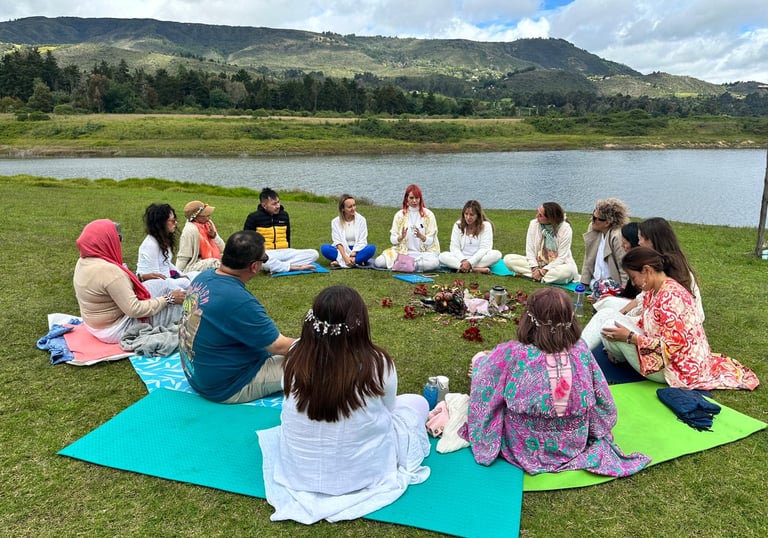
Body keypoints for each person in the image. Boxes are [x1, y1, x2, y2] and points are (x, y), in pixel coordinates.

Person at [257, 285, 431, 524]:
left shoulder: (296, 353)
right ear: (360, 323)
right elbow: (390, 409)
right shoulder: (378, 363)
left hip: (299, 470)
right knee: (417, 402)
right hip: (361, 472)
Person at [460, 287, 650, 477]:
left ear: (529, 319)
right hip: (573, 443)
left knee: (481, 362)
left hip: (525, 445)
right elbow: (602, 399)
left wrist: (480, 365)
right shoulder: (581, 351)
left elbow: (485, 390)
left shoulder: (513, 353)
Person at [600, 247, 759, 390]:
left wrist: (629, 337)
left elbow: (673, 346)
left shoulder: (671, 297)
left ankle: (582, 355)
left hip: (677, 370)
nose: (633, 283)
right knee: (609, 318)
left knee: (608, 324)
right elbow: (645, 323)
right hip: (666, 358)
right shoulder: (654, 291)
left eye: (633, 277)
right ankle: (591, 353)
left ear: (647, 270)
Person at [178, 231, 295, 403]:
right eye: (265, 259)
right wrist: (327, 345)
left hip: (197, 374)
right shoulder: (237, 300)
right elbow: (280, 346)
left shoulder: (203, 277)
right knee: (316, 363)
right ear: (254, 266)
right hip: (227, 385)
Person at [73, 219, 185, 343]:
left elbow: (108, 287)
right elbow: (134, 310)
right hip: (116, 329)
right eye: (117, 239)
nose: (118, 243)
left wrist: (141, 278)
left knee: (161, 284)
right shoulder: (110, 272)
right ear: (107, 241)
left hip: (96, 325)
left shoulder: (83, 261)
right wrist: (169, 299)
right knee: (176, 305)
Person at [581, 221, 641, 349]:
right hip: (635, 306)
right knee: (605, 301)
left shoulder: (651, 268)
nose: (622, 245)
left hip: (642, 320)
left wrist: (621, 313)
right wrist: (614, 298)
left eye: (625, 242)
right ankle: (582, 349)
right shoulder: (637, 260)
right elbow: (635, 295)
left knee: (608, 318)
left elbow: (641, 299)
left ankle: (580, 352)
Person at [243, 187, 319, 273]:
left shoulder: (284, 215)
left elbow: (287, 236)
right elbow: (247, 240)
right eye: (274, 204)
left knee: (313, 254)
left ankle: (279, 267)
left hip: (284, 251)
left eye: (278, 202)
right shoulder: (254, 217)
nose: (278, 206)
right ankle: (292, 267)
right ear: (264, 205)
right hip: (266, 253)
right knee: (263, 261)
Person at [503, 202, 578, 284]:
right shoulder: (533, 224)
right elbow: (530, 250)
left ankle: (534, 276)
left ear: (550, 219)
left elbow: (562, 257)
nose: (537, 216)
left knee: (566, 272)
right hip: (538, 262)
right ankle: (539, 276)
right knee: (508, 259)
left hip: (558, 266)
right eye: (537, 212)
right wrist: (535, 268)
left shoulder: (565, 229)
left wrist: (544, 271)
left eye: (540, 215)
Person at [373, 184, 440, 271]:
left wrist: (421, 236)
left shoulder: (428, 215)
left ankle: (409, 265)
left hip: (423, 254)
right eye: (411, 198)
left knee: (434, 263)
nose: (414, 201)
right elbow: (392, 240)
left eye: (417, 198)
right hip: (402, 252)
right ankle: (406, 264)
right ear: (406, 199)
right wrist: (400, 237)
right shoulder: (399, 215)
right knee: (379, 262)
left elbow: (430, 241)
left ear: (420, 199)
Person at [136, 203, 197, 291]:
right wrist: (180, 279)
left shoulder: (163, 240)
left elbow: (167, 263)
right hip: (154, 286)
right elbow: (156, 277)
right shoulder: (150, 245)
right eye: (172, 220)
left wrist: (181, 275)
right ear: (161, 223)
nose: (175, 223)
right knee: (186, 283)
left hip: (167, 280)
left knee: (196, 275)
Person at [580, 198, 630, 293]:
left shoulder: (617, 237)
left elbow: (623, 267)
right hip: (596, 281)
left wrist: (625, 292)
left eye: (595, 218)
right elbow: (588, 258)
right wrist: (584, 282)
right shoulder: (593, 228)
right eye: (592, 216)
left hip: (613, 283)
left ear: (607, 223)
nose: (592, 220)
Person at [438, 200, 502, 273]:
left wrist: (470, 262)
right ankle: (473, 269)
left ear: (478, 215)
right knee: (442, 256)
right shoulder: (457, 225)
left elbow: (485, 249)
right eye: (466, 214)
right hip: (460, 259)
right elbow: (454, 248)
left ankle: (464, 267)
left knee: (496, 254)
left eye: (471, 215)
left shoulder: (486, 226)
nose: (468, 217)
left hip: (479, 259)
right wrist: (464, 260)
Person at [320, 194, 376, 268]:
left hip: (357, 251)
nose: (353, 208)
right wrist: (345, 256)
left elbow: (363, 240)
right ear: (343, 209)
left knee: (371, 248)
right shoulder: (335, 222)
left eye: (354, 205)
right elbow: (338, 242)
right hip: (341, 251)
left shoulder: (362, 220)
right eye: (350, 207)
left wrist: (354, 252)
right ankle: (355, 261)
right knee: (325, 248)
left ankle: (341, 262)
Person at [175, 200, 225, 273]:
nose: (208, 218)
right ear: (195, 217)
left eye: (209, 215)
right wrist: (178, 274)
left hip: (211, 259)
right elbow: (183, 257)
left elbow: (222, 248)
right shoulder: (189, 231)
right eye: (205, 216)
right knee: (214, 263)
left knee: (230, 258)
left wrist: (214, 236)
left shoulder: (208, 224)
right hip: (193, 265)